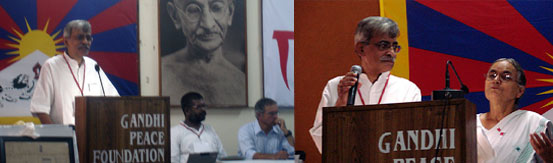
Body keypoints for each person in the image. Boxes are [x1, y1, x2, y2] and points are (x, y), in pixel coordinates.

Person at [308, 16, 422, 153]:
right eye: (384, 45)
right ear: (361, 49)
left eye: (395, 46)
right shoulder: (336, 86)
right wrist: (340, 106)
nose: (391, 53)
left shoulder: (407, 89)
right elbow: (321, 141)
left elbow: (413, 141)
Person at [30, 20, 119, 125]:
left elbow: (114, 102)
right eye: (80, 37)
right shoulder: (51, 66)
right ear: (66, 41)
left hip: (95, 136)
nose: (85, 42)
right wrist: (60, 137)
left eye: (88, 38)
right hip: (66, 137)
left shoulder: (94, 66)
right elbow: (41, 109)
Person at [162, 0, 246, 106]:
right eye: (193, 10)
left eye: (216, 8)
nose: (208, 24)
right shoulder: (162, 75)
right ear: (175, 16)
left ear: (230, 13)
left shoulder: (242, 83)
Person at [477, 58, 553, 162]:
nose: (496, 80)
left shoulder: (535, 124)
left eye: (506, 77)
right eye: (492, 75)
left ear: (520, 91)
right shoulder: (469, 124)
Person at [171, 92, 226, 162]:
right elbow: (173, 160)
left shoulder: (210, 129)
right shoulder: (174, 132)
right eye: (198, 107)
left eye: (204, 106)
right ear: (187, 110)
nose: (203, 109)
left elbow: (222, 156)